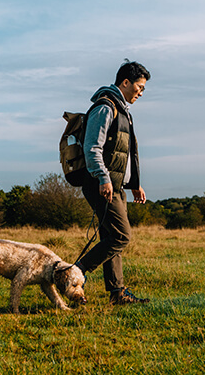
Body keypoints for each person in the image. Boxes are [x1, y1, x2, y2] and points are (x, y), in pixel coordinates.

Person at [75, 61, 151, 305]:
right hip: (102, 184)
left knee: (111, 236)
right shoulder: (106, 107)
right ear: (125, 82)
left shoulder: (122, 110)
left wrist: (134, 183)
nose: (141, 92)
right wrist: (103, 178)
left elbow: (124, 153)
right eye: (139, 87)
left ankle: (117, 293)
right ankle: (74, 271)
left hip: (115, 185)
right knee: (121, 236)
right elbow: (92, 147)